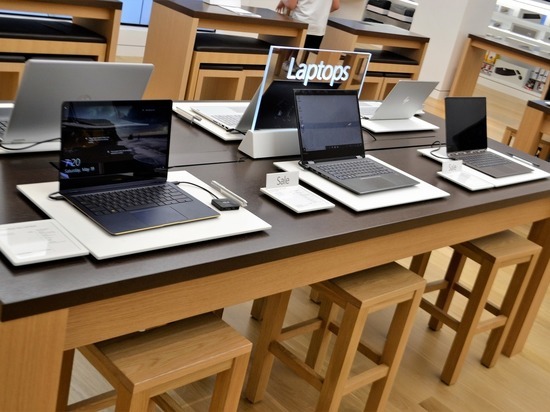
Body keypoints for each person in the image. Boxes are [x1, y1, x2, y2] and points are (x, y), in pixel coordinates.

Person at [276, 0, 340, 50]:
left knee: (289, 54)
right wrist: (321, 12)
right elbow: (336, 6)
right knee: (306, 56)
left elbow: (290, 5)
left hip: (300, 24)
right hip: (318, 27)